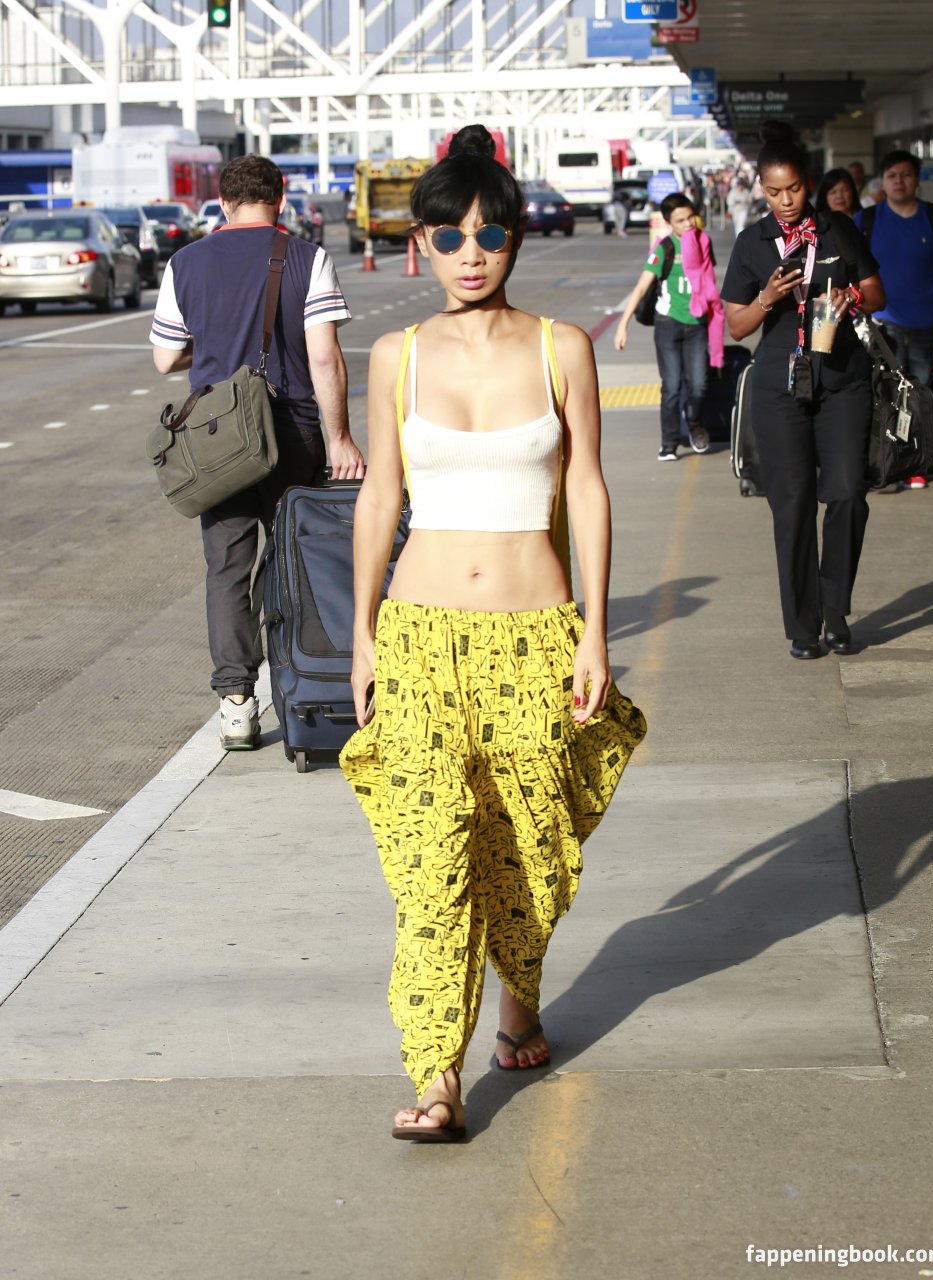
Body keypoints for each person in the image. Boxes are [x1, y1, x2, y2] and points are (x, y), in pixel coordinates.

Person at [339, 124, 645, 1143]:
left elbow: (587, 489)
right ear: (420, 243)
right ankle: (438, 1074)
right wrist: (362, 634)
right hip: (422, 637)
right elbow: (380, 494)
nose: (470, 253)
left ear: (515, 239)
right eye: (449, 235)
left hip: (534, 636)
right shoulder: (396, 355)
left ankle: (520, 1001)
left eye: (490, 233)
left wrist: (595, 633)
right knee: (432, 858)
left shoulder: (563, 349)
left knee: (529, 847)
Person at [151, 155, 364, 748]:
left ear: (223, 202)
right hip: (291, 431)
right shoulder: (307, 257)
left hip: (219, 440)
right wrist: (341, 437)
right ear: (281, 197)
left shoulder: (185, 262)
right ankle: (302, 685)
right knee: (297, 560)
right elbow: (324, 358)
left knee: (226, 568)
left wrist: (211, 348)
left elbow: (166, 358)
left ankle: (237, 704)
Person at [720, 122, 886, 660]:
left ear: (807, 182)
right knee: (791, 506)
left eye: (793, 189)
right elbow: (736, 327)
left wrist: (852, 299)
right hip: (779, 386)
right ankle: (803, 625)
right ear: (761, 189)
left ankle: (835, 609)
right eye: (774, 192)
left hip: (841, 379)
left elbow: (876, 291)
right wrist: (767, 297)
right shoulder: (751, 243)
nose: (786, 201)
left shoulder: (839, 230)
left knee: (847, 494)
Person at [854, 150, 933, 490]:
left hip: (928, 322)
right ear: (883, 183)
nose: (899, 181)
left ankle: (916, 461)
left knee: (920, 393)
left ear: (916, 180)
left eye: (906, 174)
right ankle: (889, 461)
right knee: (887, 394)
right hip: (883, 324)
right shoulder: (866, 220)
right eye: (892, 175)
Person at [613, 193, 722, 460]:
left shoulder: (704, 241)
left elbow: (708, 281)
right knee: (671, 386)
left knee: (698, 385)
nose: (688, 224)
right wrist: (622, 325)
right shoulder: (665, 248)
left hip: (697, 324)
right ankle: (669, 442)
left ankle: (694, 425)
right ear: (669, 223)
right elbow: (642, 287)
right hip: (668, 324)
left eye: (690, 217)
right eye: (680, 221)